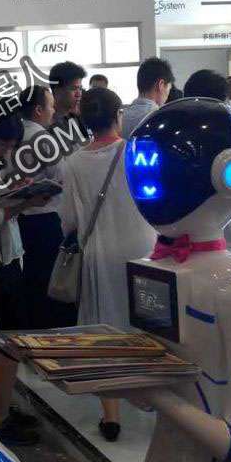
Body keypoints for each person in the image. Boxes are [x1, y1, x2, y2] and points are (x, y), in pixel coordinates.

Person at [60, 88, 155, 442]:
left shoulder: (73, 163)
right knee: (147, 324)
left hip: (99, 254)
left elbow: (68, 220)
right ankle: (150, 395)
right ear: (118, 116)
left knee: (104, 330)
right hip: (143, 250)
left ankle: (111, 415)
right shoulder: (136, 152)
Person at [0, 113, 48, 445]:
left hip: (2, 261)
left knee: (1, 345)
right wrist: (25, 203)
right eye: (5, 145)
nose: (8, 152)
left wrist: (16, 192)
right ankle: (0, 417)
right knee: (9, 343)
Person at [17, 84, 78, 331]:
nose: (53, 111)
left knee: (30, 281)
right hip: (44, 219)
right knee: (48, 282)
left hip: (19, 218)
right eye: (51, 106)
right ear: (38, 110)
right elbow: (62, 176)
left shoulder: (15, 133)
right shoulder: (42, 139)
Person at [121, 57, 174, 138]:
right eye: (169, 89)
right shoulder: (161, 119)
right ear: (161, 85)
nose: (168, 94)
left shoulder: (120, 118)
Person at [49, 60, 85, 128]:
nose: (79, 94)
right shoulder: (46, 123)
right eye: (74, 89)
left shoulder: (78, 118)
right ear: (57, 91)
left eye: (80, 88)